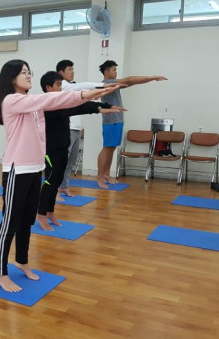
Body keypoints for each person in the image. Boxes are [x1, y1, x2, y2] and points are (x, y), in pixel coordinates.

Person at [0, 59, 118, 292]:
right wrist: (85, 93)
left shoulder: (32, 104)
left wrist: (92, 99)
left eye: (29, 71)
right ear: (11, 78)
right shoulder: (12, 100)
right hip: (16, 170)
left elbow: (60, 104)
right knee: (10, 222)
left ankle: (22, 260)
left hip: (34, 168)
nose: (28, 76)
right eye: (23, 73)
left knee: (27, 220)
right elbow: (52, 98)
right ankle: (0, 270)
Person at [35, 71, 124, 231]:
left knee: (56, 182)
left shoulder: (59, 102)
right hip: (51, 151)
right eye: (58, 86)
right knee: (49, 182)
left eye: (61, 85)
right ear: (48, 88)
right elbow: (74, 108)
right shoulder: (47, 105)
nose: (61, 89)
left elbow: (75, 106)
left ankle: (50, 212)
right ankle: (41, 215)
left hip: (62, 148)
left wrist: (106, 106)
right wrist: (100, 108)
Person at [97, 60, 167, 189]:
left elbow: (130, 82)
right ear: (106, 72)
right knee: (107, 148)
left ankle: (106, 174)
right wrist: (152, 77)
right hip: (110, 122)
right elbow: (130, 80)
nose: (115, 72)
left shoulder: (114, 84)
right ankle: (100, 177)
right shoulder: (107, 84)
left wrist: (147, 79)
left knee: (112, 148)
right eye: (113, 70)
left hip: (118, 120)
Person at [55, 59, 108, 198]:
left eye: (73, 69)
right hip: (67, 128)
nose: (73, 72)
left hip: (76, 128)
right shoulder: (64, 86)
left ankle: (63, 186)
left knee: (71, 162)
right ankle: (54, 191)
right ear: (61, 72)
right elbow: (83, 86)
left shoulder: (71, 86)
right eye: (70, 70)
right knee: (61, 162)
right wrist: (102, 85)